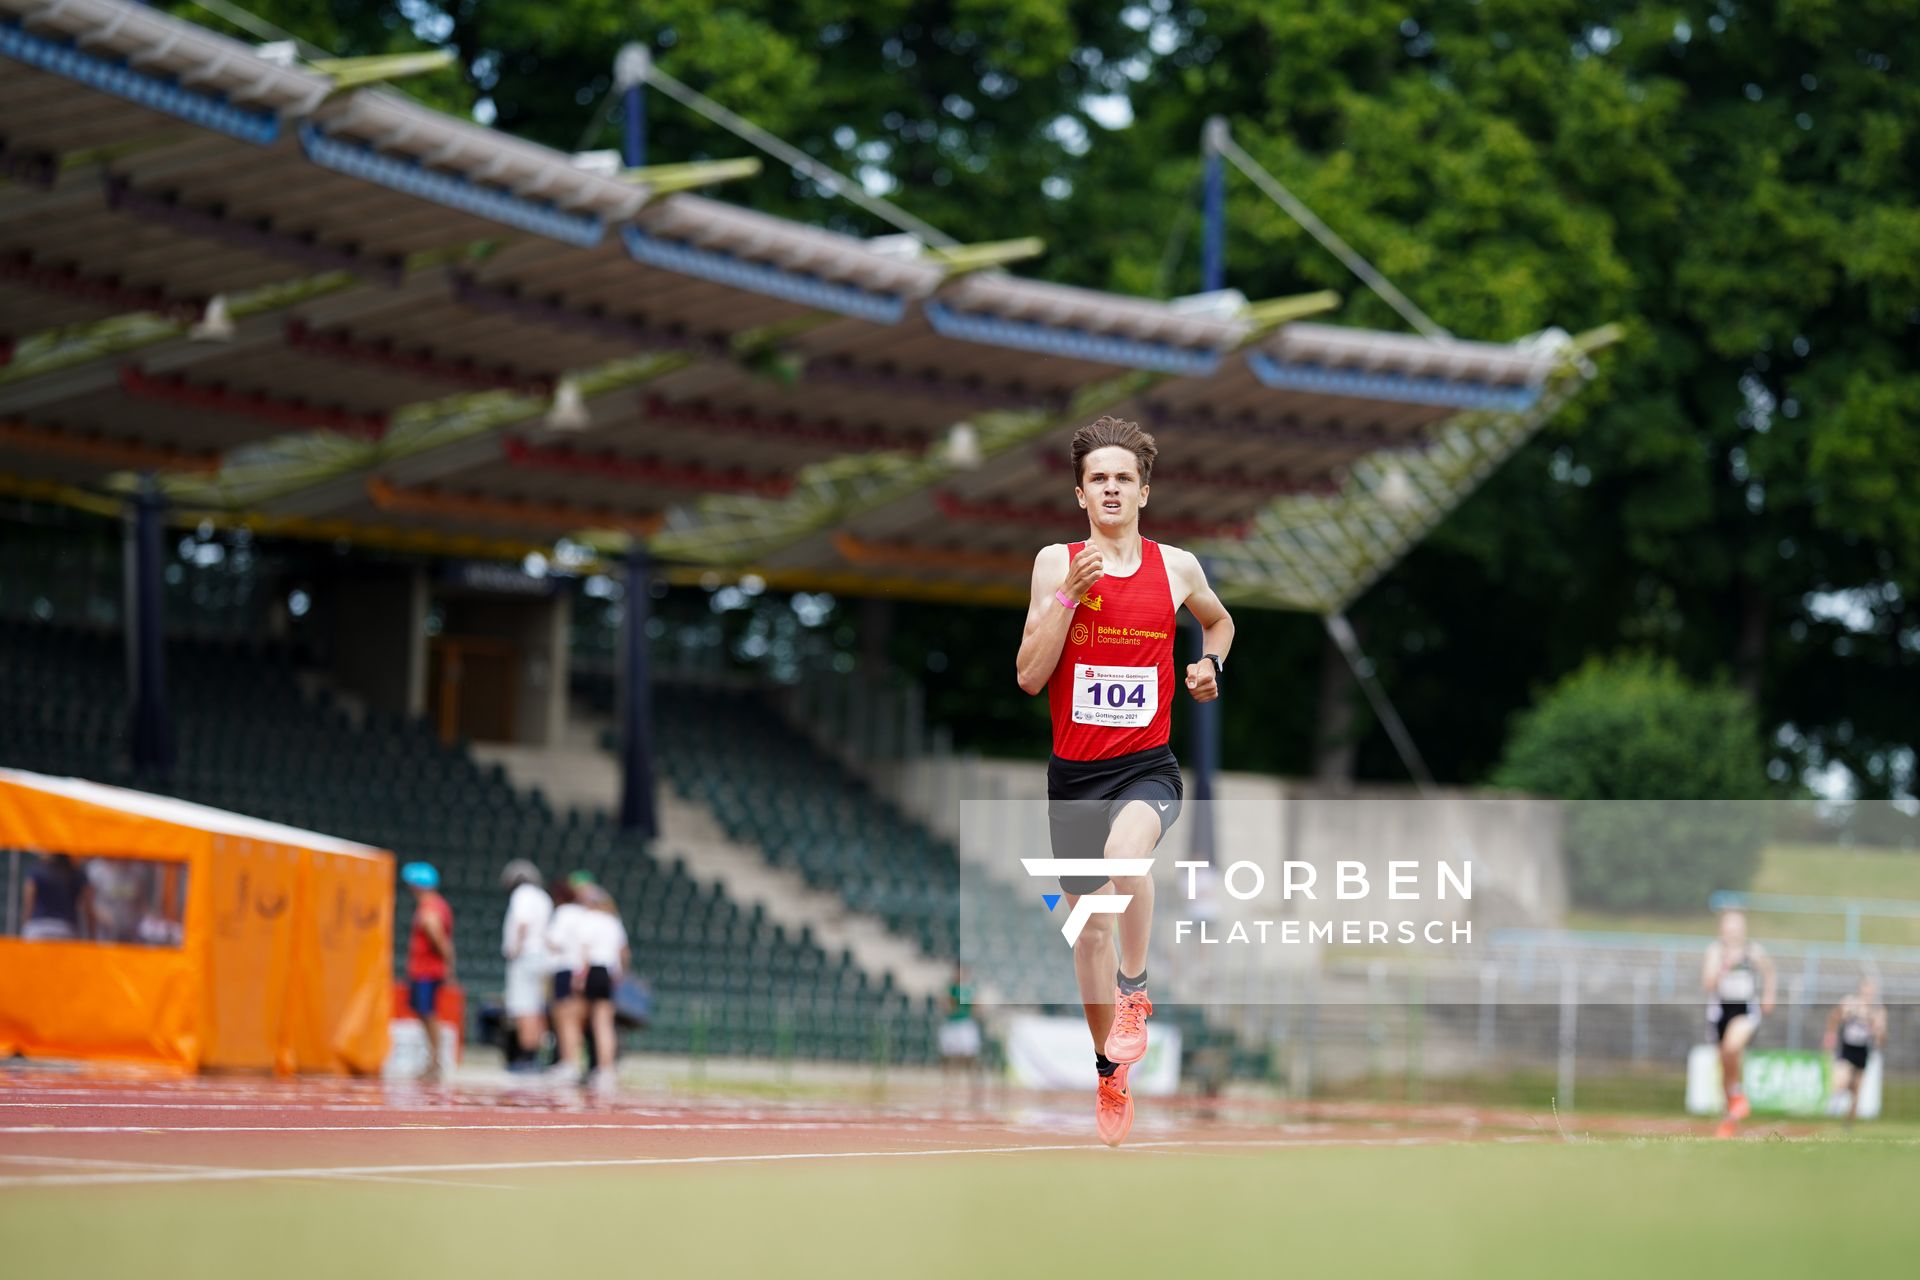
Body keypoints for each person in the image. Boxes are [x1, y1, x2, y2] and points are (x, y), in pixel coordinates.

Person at [1014, 415, 1233, 1147]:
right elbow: (1028, 677)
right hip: (1075, 778)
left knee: (1125, 860)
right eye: (1098, 479)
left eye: (1123, 478)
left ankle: (1135, 995)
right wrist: (1069, 598)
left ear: (1145, 490)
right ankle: (1110, 1070)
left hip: (1148, 767)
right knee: (1089, 935)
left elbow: (1219, 624)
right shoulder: (1055, 562)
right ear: (1081, 494)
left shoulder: (1178, 568)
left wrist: (1211, 665)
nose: (1111, 489)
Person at [1701, 909, 1775, 1138]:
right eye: (1728, 926)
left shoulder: (1753, 951)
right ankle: (1730, 1114)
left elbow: (1769, 971)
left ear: (1743, 929)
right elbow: (1708, 984)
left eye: (1737, 926)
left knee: (1732, 1047)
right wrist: (1724, 966)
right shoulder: (1715, 951)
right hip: (1720, 1011)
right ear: (1721, 929)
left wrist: (1769, 996)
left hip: (1744, 1009)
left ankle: (1738, 1096)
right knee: (1725, 1062)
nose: (1732, 931)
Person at [565, 885, 631, 1092]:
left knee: (575, 1019)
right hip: (608, 973)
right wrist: (619, 974)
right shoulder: (613, 921)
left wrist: (579, 977)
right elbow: (623, 953)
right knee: (604, 1023)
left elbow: (583, 951)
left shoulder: (587, 920)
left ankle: (572, 1064)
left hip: (592, 970)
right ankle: (606, 1070)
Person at [401, 861, 455, 1084]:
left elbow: (435, 933)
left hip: (427, 971)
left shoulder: (430, 907)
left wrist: (447, 962)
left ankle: (435, 1062)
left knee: (429, 1014)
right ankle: (432, 1061)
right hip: (424, 970)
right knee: (425, 1014)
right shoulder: (434, 904)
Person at [499, 859, 553, 1072]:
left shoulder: (522, 895)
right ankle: (536, 1055)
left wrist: (516, 948)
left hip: (526, 956)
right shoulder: (543, 897)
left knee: (524, 1007)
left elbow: (522, 922)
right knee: (537, 1007)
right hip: (542, 957)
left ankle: (526, 1057)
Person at [543, 874, 592, 1081]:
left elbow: (554, 941)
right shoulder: (584, 913)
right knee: (577, 1021)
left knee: (565, 1020)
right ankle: (573, 1063)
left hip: (564, 968)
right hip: (581, 969)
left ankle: (568, 1064)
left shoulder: (563, 913)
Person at [1822, 976, 1886, 1126]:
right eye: (1866, 989)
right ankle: (1834, 1106)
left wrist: (1877, 1030)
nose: (1868, 993)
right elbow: (1834, 1017)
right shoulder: (1850, 1003)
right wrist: (1830, 1036)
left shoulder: (1877, 1010)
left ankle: (1848, 1124)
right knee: (1841, 1081)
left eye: (1871, 990)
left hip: (1863, 1050)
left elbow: (1881, 1037)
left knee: (1856, 1090)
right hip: (1847, 1048)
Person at [938, 964, 984, 1102]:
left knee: (970, 1057)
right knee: (948, 1056)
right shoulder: (950, 988)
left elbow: (977, 1006)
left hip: (965, 1024)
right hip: (952, 1024)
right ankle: (949, 1086)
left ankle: (975, 1087)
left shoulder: (970, 989)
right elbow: (945, 1004)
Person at [21, 853, 89, 941]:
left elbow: (28, 904)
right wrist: (92, 937)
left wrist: (24, 928)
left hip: (38, 928)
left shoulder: (36, 870)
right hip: (66, 930)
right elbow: (88, 908)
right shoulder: (77, 873)